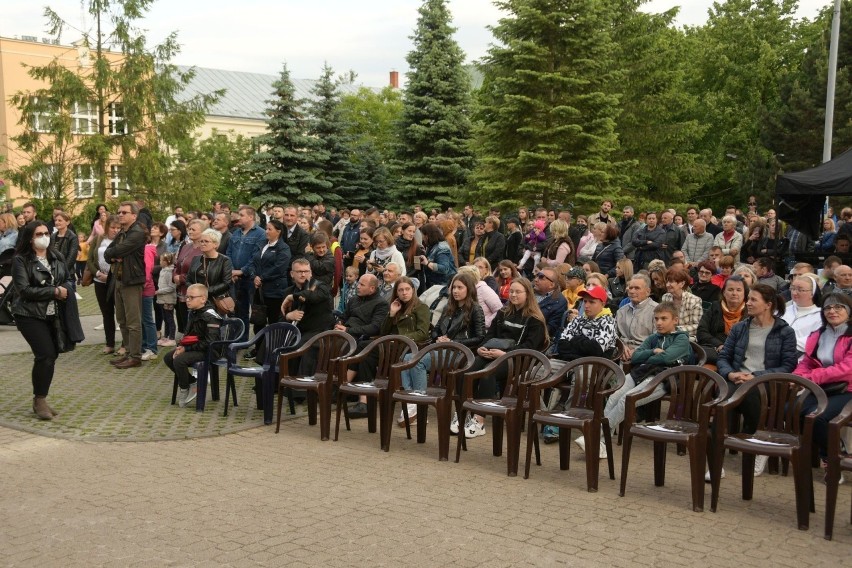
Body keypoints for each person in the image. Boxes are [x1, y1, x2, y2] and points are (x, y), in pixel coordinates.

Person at [590, 302, 692, 458]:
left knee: (627, 400)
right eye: (656, 319)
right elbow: (635, 356)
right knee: (613, 397)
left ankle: (595, 437)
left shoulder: (681, 339)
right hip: (641, 373)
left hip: (664, 378)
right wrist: (653, 351)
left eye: (664, 319)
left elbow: (667, 357)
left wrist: (651, 357)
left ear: (675, 320)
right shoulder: (653, 338)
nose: (659, 323)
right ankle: (602, 443)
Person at [716, 284, 798, 478]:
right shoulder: (740, 327)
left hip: (767, 382)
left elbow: (788, 366)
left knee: (751, 393)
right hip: (737, 379)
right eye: (749, 299)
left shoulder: (784, 331)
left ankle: (759, 441)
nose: (748, 303)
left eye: (753, 300)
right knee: (720, 401)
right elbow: (723, 357)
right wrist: (730, 374)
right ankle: (714, 459)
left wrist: (756, 376)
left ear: (768, 305)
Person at [458, 278, 547, 439]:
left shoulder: (535, 320)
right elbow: (490, 335)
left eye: (517, 292)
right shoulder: (503, 312)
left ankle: (479, 419)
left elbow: (530, 347)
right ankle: (462, 414)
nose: (513, 295)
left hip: (518, 360)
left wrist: (505, 354)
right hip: (493, 354)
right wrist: (482, 347)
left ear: (528, 294)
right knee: (468, 369)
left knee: (487, 373)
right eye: (511, 291)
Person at [399, 272, 486, 426]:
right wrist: (438, 337)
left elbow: (480, 337)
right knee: (406, 359)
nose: (455, 291)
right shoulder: (448, 307)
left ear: (469, 289)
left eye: (460, 287)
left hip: (458, 352)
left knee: (418, 362)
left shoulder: (475, 309)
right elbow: (435, 330)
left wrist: (453, 341)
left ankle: (420, 404)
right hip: (441, 347)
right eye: (454, 287)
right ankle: (410, 400)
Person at [11, 221, 77, 420]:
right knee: (45, 354)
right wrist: (54, 291)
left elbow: (66, 277)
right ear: (30, 238)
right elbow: (24, 290)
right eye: (39, 234)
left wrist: (65, 287)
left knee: (52, 354)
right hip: (29, 314)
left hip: (53, 313)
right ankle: (39, 399)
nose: (44, 237)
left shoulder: (55, 256)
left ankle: (40, 397)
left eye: (46, 233)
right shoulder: (21, 260)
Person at [794, 293, 852, 475]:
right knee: (792, 409)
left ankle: (832, 459)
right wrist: (796, 378)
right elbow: (807, 363)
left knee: (818, 417)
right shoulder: (819, 334)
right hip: (823, 389)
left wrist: (811, 377)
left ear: (849, 311)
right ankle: (827, 449)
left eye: (838, 307)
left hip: (848, 390)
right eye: (827, 308)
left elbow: (847, 369)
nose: (832, 311)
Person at [336, 273, 391, 417]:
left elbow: (375, 327)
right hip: (345, 332)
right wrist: (339, 324)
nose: (357, 287)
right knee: (323, 344)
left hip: (360, 336)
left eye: (361, 285)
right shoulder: (354, 299)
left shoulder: (381, 304)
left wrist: (348, 330)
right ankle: (333, 387)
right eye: (358, 283)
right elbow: (344, 316)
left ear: (372, 288)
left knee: (353, 348)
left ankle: (341, 389)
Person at [164, 284, 222, 408]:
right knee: (168, 357)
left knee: (179, 360)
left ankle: (184, 388)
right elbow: (188, 334)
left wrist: (186, 348)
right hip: (196, 347)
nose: (187, 300)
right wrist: (181, 346)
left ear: (203, 299)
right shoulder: (193, 312)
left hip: (210, 351)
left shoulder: (210, 316)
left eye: (191, 297)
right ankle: (191, 383)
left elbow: (210, 342)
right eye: (187, 297)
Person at [104, 201, 146, 369]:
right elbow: (109, 253)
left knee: (133, 321)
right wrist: (114, 256)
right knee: (121, 318)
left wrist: (116, 253)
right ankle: (128, 352)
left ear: (134, 216)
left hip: (132, 281)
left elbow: (118, 250)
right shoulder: (122, 232)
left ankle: (135, 356)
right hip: (119, 279)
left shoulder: (137, 233)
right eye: (119, 212)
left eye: (124, 212)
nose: (120, 214)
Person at [281, 258, 336, 376]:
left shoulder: (320, 286)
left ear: (311, 272)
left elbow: (315, 297)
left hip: (319, 330)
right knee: (269, 343)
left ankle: (298, 390)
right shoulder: (288, 291)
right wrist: (289, 316)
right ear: (292, 274)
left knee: (299, 348)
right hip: (298, 331)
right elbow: (279, 317)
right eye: (299, 271)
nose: (303, 274)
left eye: (306, 271)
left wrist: (293, 297)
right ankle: (270, 381)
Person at [243, 220, 290, 335]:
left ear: (278, 232)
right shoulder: (262, 244)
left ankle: (273, 349)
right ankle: (258, 348)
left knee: (274, 322)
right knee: (259, 321)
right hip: (259, 290)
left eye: (270, 229)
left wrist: (262, 278)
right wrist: (254, 276)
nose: (266, 231)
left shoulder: (283, 248)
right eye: (266, 228)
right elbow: (253, 262)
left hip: (275, 292)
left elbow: (279, 268)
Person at [226, 206, 266, 341]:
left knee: (254, 311)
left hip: (250, 278)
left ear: (251, 217)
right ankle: (239, 339)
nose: (239, 218)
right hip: (235, 278)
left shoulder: (260, 233)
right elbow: (229, 253)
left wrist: (242, 271)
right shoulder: (236, 233)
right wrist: (232, 271)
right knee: (238, 310)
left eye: (242, 215)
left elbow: (256, 256)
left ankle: (257, 342)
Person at [697, 275, 748, 364]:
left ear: (745, 293)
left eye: (739, 290)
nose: (734, 293)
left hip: (738, 354)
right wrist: (719, 345)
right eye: (730, 289)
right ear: (724, 292)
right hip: (714, 350)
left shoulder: (750, 312)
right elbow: (702, 331)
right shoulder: (715, 307)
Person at [188, 228, 235, 316]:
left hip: (215, 302)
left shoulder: (224, 260)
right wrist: (194, 293)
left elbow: (227, 283)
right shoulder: (196, 259)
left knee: (215, 328)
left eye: (206, 241)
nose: (203, 244)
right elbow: (188, 279)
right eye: (201, 241)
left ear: (215, 244)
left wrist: (204, 292)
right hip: (196, 302)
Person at [173, 219, 207, 334]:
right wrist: (175, 276)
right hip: (181, 291)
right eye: (189, 229)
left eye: (193, 229)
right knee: (183, 321)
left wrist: (181, 278)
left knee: (193, 323)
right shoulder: (186, 246)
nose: (190, 231)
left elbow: (200, 271)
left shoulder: (204, 249)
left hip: (194, 290)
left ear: (202, 232)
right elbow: (177, 264)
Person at [615, 274, 659, 360]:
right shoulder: (621, 311)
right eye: (630, 288)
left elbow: (657, 338)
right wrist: (621, 347)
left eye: (637, 288)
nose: (632, 291)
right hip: (620, 352)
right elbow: (613, 335)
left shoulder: (657, 311)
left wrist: (637, 351)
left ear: (648, 291)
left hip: (645, 355)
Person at [781, 273, 822, 357]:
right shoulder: (783, 310)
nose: (794, 293)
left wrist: (782, 341)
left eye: (800, 290)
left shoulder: (821, 316)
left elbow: (811, 342)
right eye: (793, 289)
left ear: (812, 293)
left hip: (801, 360)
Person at [661, 267, 703, 340]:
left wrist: (676, 330)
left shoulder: (694, 300)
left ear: (682, 283)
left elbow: (698, 326)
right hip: (667, 335)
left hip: (687, 337)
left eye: (671, 282)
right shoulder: (665, 297)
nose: (667, 285)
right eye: (667, 281)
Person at [532, 266, 568, 340]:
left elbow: (550, 329)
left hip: (535, 339)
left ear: (552, 285)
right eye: (537, 276)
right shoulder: (526, 292)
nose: (536, 280)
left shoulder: (560, 302)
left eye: (541, 277)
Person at [419, 223, 457, 291]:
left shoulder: (442, 248)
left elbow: (444, 268)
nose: (423, 239)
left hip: (443, 286)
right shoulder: (432, 246)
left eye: (423, 236)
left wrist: (427, 263)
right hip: (435, 284)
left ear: (427, 236)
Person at [156, 252, 177, 348]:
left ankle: (172, 338)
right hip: (162, 299)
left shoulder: (169, 272)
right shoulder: (163, 270)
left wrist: (159, 291)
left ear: (167, 261)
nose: (159, 262)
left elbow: (171, 287)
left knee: (169, 318)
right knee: (165, 318)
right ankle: (166, 336)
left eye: (161, 260)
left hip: (168, 300)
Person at [50, 212, 78, 278]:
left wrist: (62, 271)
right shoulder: (53, 236)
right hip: (53, 271)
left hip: (67, 273)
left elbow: (71, 257)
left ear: (67, 222)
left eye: (60, 220)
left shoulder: (72, 237)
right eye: (55, 220)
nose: (57, 222)